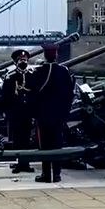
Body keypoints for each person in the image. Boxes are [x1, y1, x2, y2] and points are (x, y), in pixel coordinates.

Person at [26, 43, 74, 183]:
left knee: (44, 145)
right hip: (59, 116)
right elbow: (69, 95)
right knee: (57, 143)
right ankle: (57, 174)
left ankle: (46, 175)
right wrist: (65, 113)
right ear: (56, 55)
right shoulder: (64, 71)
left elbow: (32, 95)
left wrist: (35, 114)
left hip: (43, 116)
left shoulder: (38, 72)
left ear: (45, 55)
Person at [2, 49, 35, 174]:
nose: (23, 62)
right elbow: (5, 96)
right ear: (16, 62)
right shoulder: (10, 77)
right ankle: (19, 162)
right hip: (16, 112)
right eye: (21, 60)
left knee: (26, 138)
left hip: (28, 112)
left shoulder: (32, 75)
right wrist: (7, 112)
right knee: (17, 139)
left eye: (25, 60)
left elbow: (35, 94)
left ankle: (25, 163)